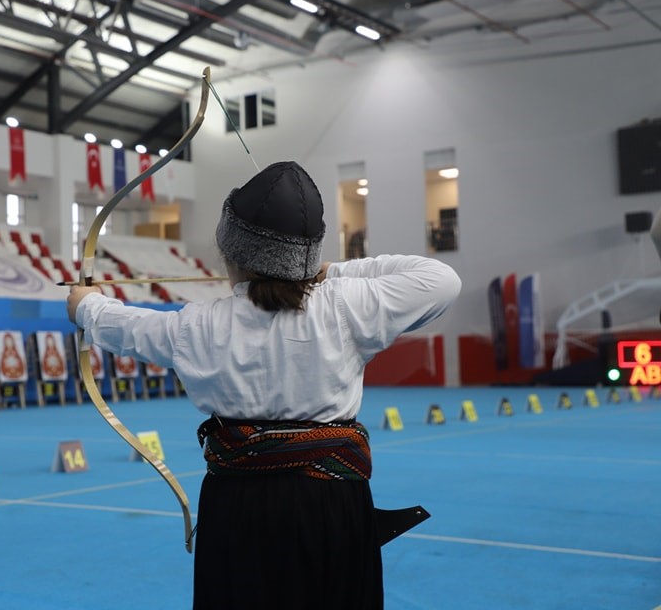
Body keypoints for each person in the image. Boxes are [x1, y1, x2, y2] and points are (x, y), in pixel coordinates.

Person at [67, 161, 462, 609]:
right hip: (331, 500)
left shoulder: (198, 325)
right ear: (308, 257)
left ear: (230, 255)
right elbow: (441, 280)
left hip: (239, 505)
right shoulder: (348, 305)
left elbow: (127, 325)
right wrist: (332, 272)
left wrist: (87, 306)